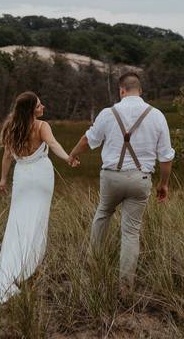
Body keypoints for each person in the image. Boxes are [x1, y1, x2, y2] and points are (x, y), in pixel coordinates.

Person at [67, 72, 174, 289]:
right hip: (140, 179)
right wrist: (164, 184)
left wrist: (73, 154)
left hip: (111, 178)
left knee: (103, 214)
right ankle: (125, 285)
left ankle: (93, 267)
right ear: (140, 91)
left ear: (121, 90)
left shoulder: (108, 113)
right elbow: (166, 158)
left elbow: (88, 140)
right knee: (131, 231)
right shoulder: (157, 116)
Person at [0, 91, 79, 304]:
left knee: (18, 221)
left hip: (21, 177)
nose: (43, 107)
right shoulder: (41, 126)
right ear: (31, 109)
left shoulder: (12, 126)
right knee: (37, 220)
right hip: (41, 176)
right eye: (39, 105)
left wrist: (3, 179)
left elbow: (7, 156)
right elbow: (54, 144)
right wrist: (68, 158)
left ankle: (13, 268)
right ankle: (28, 267)